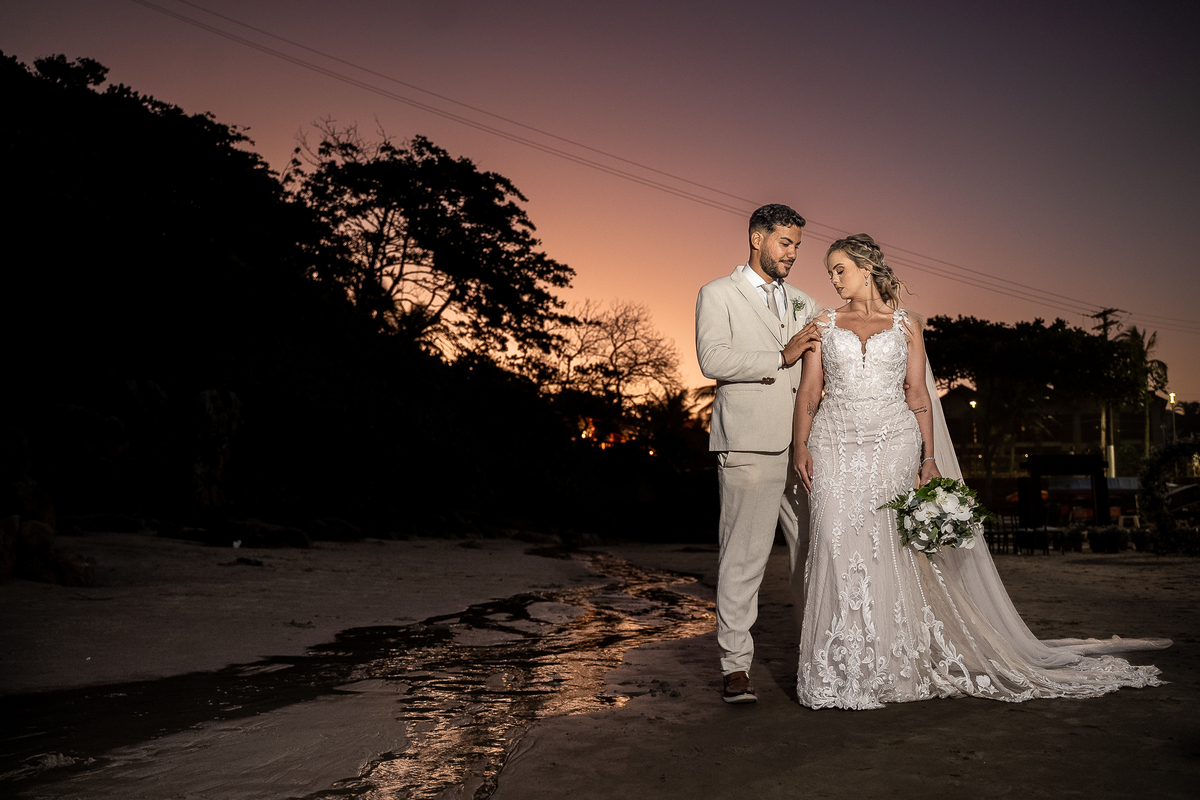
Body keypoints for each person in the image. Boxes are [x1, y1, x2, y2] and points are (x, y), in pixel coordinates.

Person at [791, 234, 1170, 709]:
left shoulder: (908, 324)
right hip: (834, 442)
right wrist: (800, 444)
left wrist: (929, 458)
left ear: (866, 269)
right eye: (830, 272)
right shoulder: (822, 324)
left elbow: (917, 394)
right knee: (834, 541)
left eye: (839, 269)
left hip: (892, 441)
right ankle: (837, 669)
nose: (833, 279)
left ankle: (887, 666)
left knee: (886, 547)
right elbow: (810, 392)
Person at [695, 203, 821, 703]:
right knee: (743, 557)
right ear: (756, 238)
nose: (792, 254)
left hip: (807, 446)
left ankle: (819, 654)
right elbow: (712, 358)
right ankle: (735, 666)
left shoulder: (805, 301)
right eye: (785, 243)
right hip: (748, 442)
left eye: (797, 247)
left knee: (814, 552)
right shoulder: (717, 293)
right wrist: (780, 356)